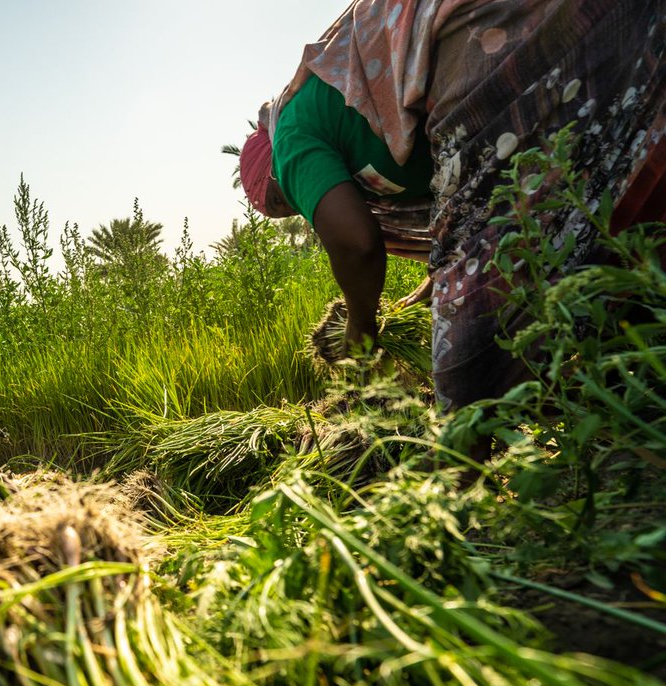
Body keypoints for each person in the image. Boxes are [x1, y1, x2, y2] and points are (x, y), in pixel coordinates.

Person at [240, 0, 666, 410]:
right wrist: (435, 276)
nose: (302, 208)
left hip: (489, 35)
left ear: (275, 180)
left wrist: (361, 327)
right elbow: (454, 197)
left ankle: (464, 465)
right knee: (611, 203)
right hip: (577, 38)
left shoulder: (291, 140)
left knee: (468, 323)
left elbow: (357, 244)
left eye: (285, 203)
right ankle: (632, 387)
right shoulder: (329, 130)